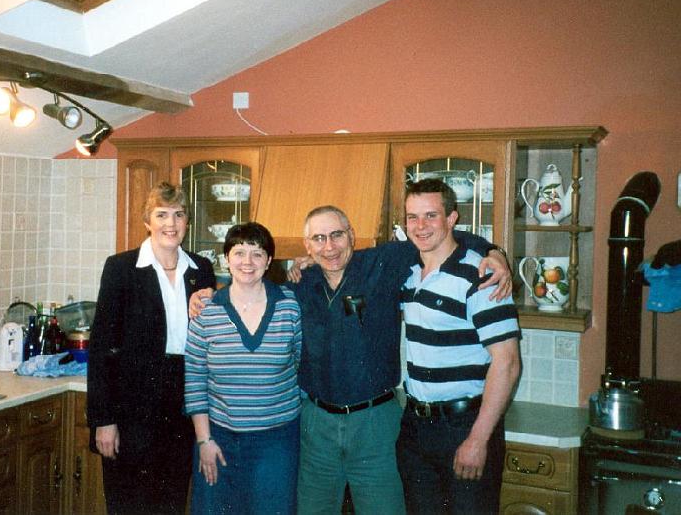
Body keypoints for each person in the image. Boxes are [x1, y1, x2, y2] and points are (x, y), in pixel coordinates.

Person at [291, 205, 511, 514]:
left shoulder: (382, 262)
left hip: (375, 422)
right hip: (317, 423)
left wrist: (493, 251)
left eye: (337, 235)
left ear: (352, 236)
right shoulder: (300, 284)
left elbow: (440, 236)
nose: (329, 247)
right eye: (319, 238)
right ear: (307, 245)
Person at [87, 181, 216, 515]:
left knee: (171, 501)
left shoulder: (200, 270)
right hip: (132, 408)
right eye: (161, 214)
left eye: (178, 214)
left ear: (187, 222)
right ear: (148, 221)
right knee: (129, 503)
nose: (170, 224)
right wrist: (104, 420)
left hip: (182, 404)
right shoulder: (122, 268)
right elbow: (102, 348)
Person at [396, 178, 521, 515]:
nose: (420, 226)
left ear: (452, 219)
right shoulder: (409, 274)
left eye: (430, 216)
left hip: (464, 426)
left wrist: (478, 440)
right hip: (416, 427)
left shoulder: (481, 275)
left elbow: (507, 363)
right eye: (412, 217)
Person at [185, 222, 302, 515]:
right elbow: (195, 381)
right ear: (226, 259)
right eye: (239, 253)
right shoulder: (207, 311)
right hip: (219, 439)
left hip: (276, 441)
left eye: (257, 254)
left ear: (269, 261)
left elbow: (300, 362)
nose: (247, 263)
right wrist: (204, 441)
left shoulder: (289, 306)